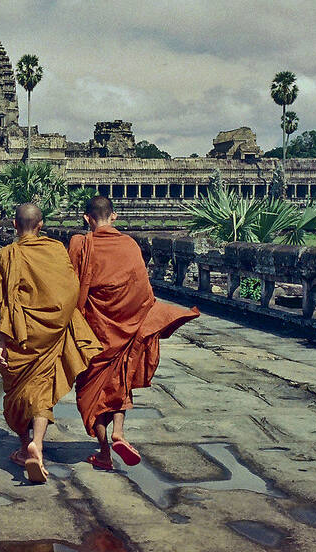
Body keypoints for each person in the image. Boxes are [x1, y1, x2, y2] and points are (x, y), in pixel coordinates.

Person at [69, 195, 199, 471]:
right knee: (120, 383)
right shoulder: (130, 245)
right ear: (114, 216)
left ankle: (104, 452)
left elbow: (71, 287)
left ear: (86, 219)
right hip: (127, 329)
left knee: (92, 393)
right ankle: (119, 432)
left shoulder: (81, 245)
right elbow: (143, 291)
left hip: (95, 333)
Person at [0, 203, 103, 483]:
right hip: (49, 334)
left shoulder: (7, 255)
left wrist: (2, 336)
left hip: (19, 333)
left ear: (14, 225)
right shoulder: (55, 250)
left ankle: (26, 445)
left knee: (16, 391)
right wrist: (60, 323)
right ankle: (38, 443)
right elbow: (70, 289)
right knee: (42, 389)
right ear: (41, 226)